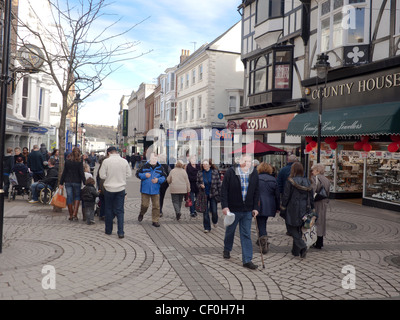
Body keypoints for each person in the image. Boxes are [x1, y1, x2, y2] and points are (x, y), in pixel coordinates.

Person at [221, 154, 260, 270]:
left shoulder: (254, 173)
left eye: (250, 162)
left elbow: (257, 191)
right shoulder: (231, 172)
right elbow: (224, 190)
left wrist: (255, 207)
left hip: (247, 210)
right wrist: (225, 206)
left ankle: (247, 260)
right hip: (234, 209)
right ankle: (227, 249)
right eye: (246, 161)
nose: (248, 164)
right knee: (230, 231)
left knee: (246, 234)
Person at [280, 162, 314, 258]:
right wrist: (312, 208)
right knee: (299, 228)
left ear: (293, 170)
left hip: (292, 208)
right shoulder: (308, 182)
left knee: (292, 228)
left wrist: (283, 207)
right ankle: (296, 251)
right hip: (305, 207)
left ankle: (302, 246)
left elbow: (286, 196)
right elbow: (311, 197)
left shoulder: (290, 181)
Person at [99, 146, 132, 238]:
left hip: (109, 188)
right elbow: (129, 174)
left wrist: (109, 177)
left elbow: (102, 176)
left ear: (109, 153)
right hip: (120, 188)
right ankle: (120, 232)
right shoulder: (124, 161)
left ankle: (108, 230)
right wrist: (121, 177)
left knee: (108, 209)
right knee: (120, 211)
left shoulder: (106, 161)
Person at [137, 153, 166, 228]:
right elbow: (137, 174)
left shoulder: (160, 167)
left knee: (156, 206)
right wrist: (144, 175)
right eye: (153, 158)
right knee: (145, 205)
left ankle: (155, 220)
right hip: (145, 189)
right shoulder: (144, 166)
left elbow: (164, 177)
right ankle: (141, 213)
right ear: (150, 158)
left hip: (155, 190)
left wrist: (158, 180)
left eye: (155, 159)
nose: (154, 160)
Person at [256, 162, 280, 254]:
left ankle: (263, 241)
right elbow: (277, 195)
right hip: (269, 205)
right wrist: (278, 207)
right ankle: (261, 239)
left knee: (260, 223)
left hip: (258, 204)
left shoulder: (256, 178)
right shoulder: (273, 179)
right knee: (263, 222)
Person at [59, 147, 86, 221]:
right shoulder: (79, 162)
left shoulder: (67, 161)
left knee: (69, 197)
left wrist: (61, 182)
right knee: (77, 197)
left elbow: (64, 172)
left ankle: (71, 214)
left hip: (68, 181)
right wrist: (84, 182)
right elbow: (81, 173)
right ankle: (75, 213)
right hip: (77, 181)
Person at [197, 159, 221, 233]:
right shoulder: (200, 173)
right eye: (203, 164)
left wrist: (220, 194)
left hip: (213, 194)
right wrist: (200, 185)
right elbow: (197, 183)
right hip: (204, 195)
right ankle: (207, 227)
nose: (205, 166)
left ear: (210, 165)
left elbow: (219, 184)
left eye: (206, 164)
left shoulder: (215, 172)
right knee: (205, 211)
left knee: (214, 211)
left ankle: (215, 221)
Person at [311, 163, 330, 249]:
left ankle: (315, 240)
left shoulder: (315, 178)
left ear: (318, 171)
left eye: (313, 170)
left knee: (314, 220)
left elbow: (312, 191)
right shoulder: (326, 180)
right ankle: (320, 241)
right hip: (324, 202)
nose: (312, 172)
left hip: (316, 202)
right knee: (322, 221)